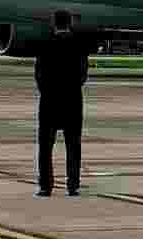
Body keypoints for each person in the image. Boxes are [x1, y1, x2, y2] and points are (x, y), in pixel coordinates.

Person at [34, 11, 97, 196]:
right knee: (73, 146)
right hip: (72, 101)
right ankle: (73, 185)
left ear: (53, 24)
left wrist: (48, 92)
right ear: (70, 24)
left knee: (45, 147)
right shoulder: (79, 45)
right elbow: (82, 75)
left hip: (49, 101)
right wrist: (71, 89)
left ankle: (45, 186)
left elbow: (39, 75)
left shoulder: (45, 44)